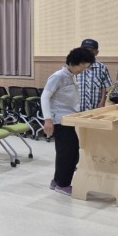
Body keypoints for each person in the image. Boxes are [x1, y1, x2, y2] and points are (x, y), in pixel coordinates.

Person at [41, 47, 95, 196]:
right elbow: (45, 97)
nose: (82, 70)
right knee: (69, 153)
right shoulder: (58, 76)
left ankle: (56, 181)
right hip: (60, 120)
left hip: (69, 119)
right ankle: (63, 184)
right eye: (81, 67)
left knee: (66, 152)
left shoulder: (72, 76)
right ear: (73, 62)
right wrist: (48, 119)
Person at [78, 39, 112, 111]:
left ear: (96, 52)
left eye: (90, 50)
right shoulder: (74, 66)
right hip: (76, 108)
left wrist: (102, 101)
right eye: (84, 50)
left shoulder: (101, 67)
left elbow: (104, 87)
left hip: (95, 108)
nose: (87, 53)